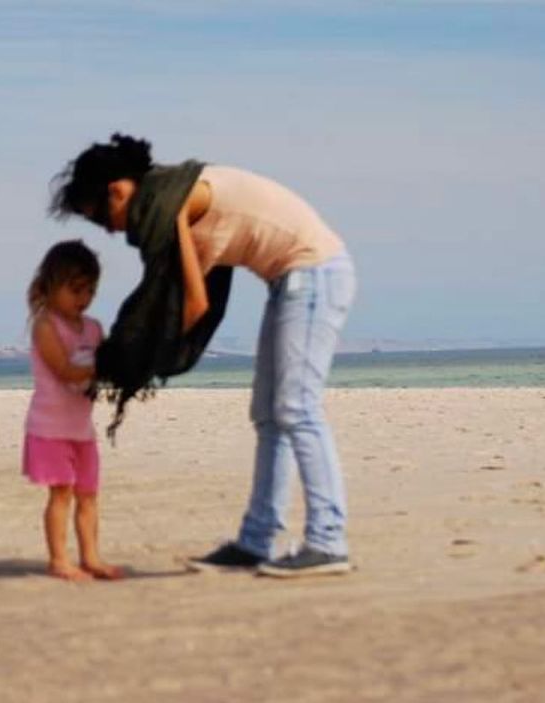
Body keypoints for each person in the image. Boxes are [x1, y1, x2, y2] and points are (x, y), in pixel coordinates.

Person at [49, 134, 356, 578]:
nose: (112, 231)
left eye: (102, 217)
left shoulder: (173, 203)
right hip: (291, 280)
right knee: (269, 416)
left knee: (296, 408)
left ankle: (328, 542)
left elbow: (190, 306)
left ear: (117, 190)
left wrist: (133, 354)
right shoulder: (172, 202)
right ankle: (256, 542)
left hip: (314, 273)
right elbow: (184, 298)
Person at [23, 240, 124, 581]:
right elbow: (65, 370)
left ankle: (91, 557)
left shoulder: (93, 328)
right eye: (76, 290)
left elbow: (106, 361)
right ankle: (59, 560)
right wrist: (102, 367)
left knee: (89, 495)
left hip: (82, 430)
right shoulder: (45, 326)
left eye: (90, 291)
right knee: (62, 494)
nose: (84, 298)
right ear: (52, 286)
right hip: (49, 430)